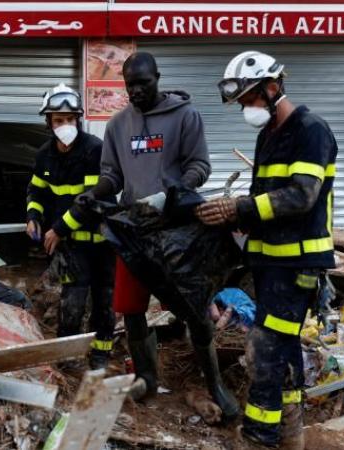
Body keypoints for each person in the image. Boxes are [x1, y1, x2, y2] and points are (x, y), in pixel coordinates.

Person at [79, 52, 239, 418]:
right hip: (135, 231)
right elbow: (112, 176)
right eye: (129, 85)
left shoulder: (185, 116)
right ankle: (148, 378)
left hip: (178, 230)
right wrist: (95, 193)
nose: (135, 91)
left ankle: (214, 382)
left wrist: (174, 191)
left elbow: (200, 165)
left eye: (143, 83)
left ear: (157, 78)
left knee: (195, 310)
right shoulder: (117, 126)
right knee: (132, 308)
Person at [196, 51, 338, 449]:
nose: (246, 108)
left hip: (297, 264)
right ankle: (291, 437)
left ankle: (258, 439)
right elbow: (266, 199)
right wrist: (240, 217)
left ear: (272, 87)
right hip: (270, 263)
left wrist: (241, 207)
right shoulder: (268, 135)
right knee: (284, 352)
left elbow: (301, 195)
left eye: (249, 99)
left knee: (264, 350)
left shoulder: (310, 130)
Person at [25, 83, 115, 369]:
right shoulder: (44, 155)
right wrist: (33, 217)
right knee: (72, 301)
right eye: (58, 120)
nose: (65, 125)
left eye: (70, 119)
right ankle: (68, 356)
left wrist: (57, 229)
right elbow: (36, 191)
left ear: (79, 118)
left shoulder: (95, 150)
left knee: (103, 301)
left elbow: (90, 202)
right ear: (48, 122)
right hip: (72, 246)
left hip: (101, 242)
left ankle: (100, 355)